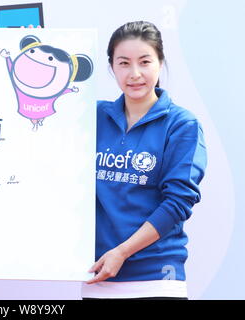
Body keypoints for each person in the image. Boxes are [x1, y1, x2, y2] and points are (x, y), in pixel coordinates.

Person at [81, 21, 207, 299]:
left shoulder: (182, 124)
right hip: (97, 278)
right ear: (111, 67)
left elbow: (177, 203)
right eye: (124, 63)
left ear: (160, 63)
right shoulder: (93, 116)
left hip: (156, 280)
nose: (135, 74)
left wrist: (122, 252)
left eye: (145, 61)